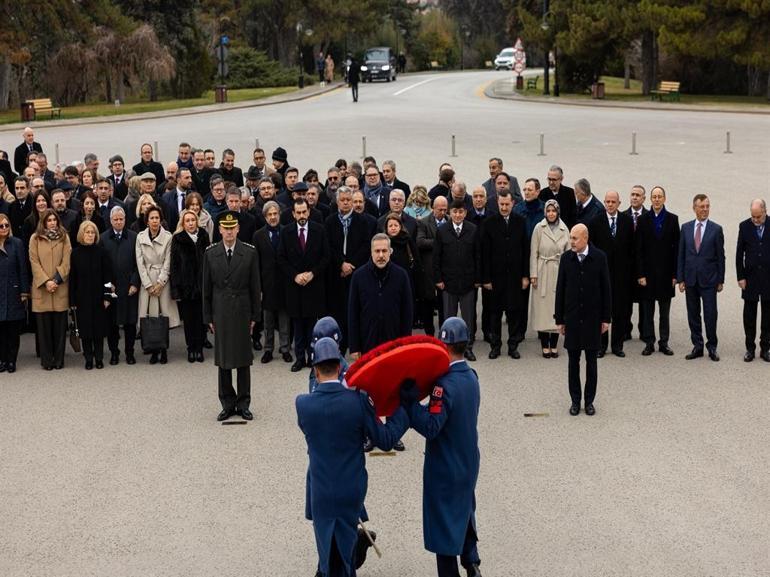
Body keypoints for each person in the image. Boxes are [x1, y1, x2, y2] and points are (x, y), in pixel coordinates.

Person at [296, 337, 408, 577]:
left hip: (321, 494)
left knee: (327, 560)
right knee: (345, 561)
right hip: (351, 492)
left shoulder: (303, 405)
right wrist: (404, 406)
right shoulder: (358, 401)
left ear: (315, 371)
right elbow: (386, 439)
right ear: (339, 366)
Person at [400, 317, 482, 577]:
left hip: (446, 467)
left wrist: (411, 405)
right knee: (465, 508)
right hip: (467, 461)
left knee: (443, 524)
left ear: (443, 346)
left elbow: (431, 427)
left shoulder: (443, 387)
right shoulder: (471, 376)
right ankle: (471, 561)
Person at [203, 210, 262, 421]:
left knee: (243, 360)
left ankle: (244, 403)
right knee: (224, 360)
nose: (229, 232)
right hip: (220, 311)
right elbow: (206, 290)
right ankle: (227, 403)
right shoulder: (210, 253)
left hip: (242, 310)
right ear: (219, 230)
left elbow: (255, 286)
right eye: (225, 229)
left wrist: (256, 315)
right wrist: (208, 317)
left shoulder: (250, 253)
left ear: (238, 229)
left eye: (232, 228)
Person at [554, 224, 611, 416]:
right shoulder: (566, 259)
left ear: (585, 238)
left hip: (593, 319)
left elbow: (606, 289)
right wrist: (559, 319)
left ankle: (589, 401)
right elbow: (560, 289)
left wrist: (606, 318)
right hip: (572, 318)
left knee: (591, 362)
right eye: (570, 238)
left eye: (575, 238)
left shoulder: (599, 258)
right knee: (573, 361)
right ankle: (575, 400)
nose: (571, 242)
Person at [278, 199, 330, 372]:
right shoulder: (286, 232)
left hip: (314, 285)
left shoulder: (319, 230)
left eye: (304, 212)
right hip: (295, 286)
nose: (301, 215)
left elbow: (326, 257)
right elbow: (281, 258)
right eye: (298, 212)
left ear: (309, 212)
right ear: (293, 214)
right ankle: (300, 358)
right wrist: (295, 275)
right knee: (298, 325)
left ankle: (312, 357)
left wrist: (312, 273)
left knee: (312, 325)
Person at [349, 232, 414, 362]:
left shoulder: (401, 276)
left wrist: (405, 343)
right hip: (367, 342)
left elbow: (407, 312)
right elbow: (353, 313)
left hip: (394, 342)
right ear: (371, 252)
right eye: (377, 251)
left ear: (390, 252)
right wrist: (354, 346)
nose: (380, 255)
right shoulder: (358, 276)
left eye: (384, 251)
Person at [480, 190, 529, 359]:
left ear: (513, 204)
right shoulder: (489, 223)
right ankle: (495, 346)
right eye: (501, 204)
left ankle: (513, 345)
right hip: (495, 278)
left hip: (515, 277)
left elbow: (525, 251)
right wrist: (485, 278)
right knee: (494, 313)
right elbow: (484, 253)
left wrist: (525, 276)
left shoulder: (520, 222)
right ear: (497, 203)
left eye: (507, 204)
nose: (504, 207)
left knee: (514, 312)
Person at [677, 193, 725, 362]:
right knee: (693, 314)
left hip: (709, 280)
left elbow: (721, 257)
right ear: (694, 208)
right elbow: (681, 254)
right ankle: (697, 345)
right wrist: (680, 278)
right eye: (702, 207)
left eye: (707, 206)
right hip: (690, 279)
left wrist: (721, 280)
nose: (705, 210)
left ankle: (712, 347)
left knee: (710, 314)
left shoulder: (716, 229)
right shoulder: (686, 228)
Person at [325, 187, 372, 354]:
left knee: (355, 310)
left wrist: (351, 265)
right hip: (336, 274)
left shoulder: (362, 221)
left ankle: (356, 346)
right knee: (338, 311)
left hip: (356, 272)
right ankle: (339, 346)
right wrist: (341, 264)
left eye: (348, 200)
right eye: (342, 200)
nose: (345, 202)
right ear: (337, 202)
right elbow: (328, 246)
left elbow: (366, 246)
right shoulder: (330, 221)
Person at [588, 190, 634, 357]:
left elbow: (632, 249)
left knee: (620, 312)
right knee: (602, 311)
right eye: (607, 201)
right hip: (602, 274)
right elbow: (591, 249)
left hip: (622, 275)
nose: (610, 204)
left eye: (613, 202)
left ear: (619, 203)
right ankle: (601, 345)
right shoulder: (596, 222)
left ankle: (617, 345)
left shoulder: (627, 222)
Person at [636, 186, 679, 356]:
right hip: (647, 274)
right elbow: (638, 249)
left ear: (664, 199)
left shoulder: (672, 219)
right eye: (654, 196)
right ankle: (649, 342)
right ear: (650, 199)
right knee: (648, 311)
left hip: (666, 275)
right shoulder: (643, 220)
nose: (657, 199)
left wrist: (676, 274)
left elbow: (677, 249)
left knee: (664, 312)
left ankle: (664, 342)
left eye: (660, 196)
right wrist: (640, 274)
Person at [434, 200, 479, 361]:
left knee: (468, 318)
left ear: (465, 213)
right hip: (448, 282)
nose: (458, 215)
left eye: (461, 212)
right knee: (448, 317)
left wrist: (477, 279)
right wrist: (438, 279)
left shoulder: (473, 230)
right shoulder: (442, 230)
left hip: (468, 282)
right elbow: (436, 257)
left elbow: (478, 256)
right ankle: (446, 349)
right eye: (455, 212)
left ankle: (468, 348)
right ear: (450, 213)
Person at [135, 205, 179, 364]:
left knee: (164, 316)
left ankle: (164, 349)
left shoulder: (168, 237)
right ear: (147, 221)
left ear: (161, 220)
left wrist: (161, 282)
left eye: (157, 218)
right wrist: (147, 284)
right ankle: (153, 350)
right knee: (151, 317)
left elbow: (169, 261)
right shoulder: (140, 237)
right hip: (147, 281)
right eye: (151, 218)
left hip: (162, 280)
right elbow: (139, 262)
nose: (154, 221)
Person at [29, 209, 72, 370]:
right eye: (49, 220)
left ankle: (59, 359)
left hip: (59, 286)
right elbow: (33, 262)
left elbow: (67, 260)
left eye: (54, 220)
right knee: (44, 328)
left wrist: (56, 280)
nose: (52, 222)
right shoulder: (35, 238)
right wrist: (46, 281)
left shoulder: (64, 237)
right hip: (42, 288)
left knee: (60, 328)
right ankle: (47, 360)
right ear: (44, 222)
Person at [69, 221, 113, 370]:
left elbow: (107, 277)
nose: (90, 235)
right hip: (82, 298)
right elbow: (72, 279)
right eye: (87, 232)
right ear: (82, 234)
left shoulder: (102, 252)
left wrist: (107, 296)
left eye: (92, 232)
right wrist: (72, 301)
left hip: (99, 297)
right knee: (86, 330)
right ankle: (88, 358)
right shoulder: (75, 253)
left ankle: (99, 358)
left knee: (99, 330)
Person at [530, 199, 570, 358]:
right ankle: (544, 345)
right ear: (545, 212)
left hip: (558, 270)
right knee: (542, 310)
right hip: (542, 270)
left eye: (554, 211)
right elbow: (534, 252)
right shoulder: (539, 228)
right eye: (548, 211)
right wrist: (533, 274)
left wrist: (568, 275)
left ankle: (554, 344)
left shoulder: (564, 228)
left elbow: (568, 254)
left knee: (557, 309)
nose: (551, 214)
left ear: (558, 212)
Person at [253, 201, 292, 364]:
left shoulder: (287, 232)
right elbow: (255, 263)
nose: (273, 217)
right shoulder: (258, 235)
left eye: (275, 214)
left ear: (279, 215)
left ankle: (285, 349)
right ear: (265, 217)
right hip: (267, 283)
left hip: (284, 283)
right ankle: (268, 349)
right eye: (269, 214)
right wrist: (259, 287)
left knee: (284, 320)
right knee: (268, 320)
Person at [100, 207, 139, 366]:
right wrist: (108, 286)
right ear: (110, 221)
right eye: (115, 219)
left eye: (121, 219)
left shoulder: (134, 237)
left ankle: (130, 352)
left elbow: (139, 263)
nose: (118, 222)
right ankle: (114, 352)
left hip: (129, 287)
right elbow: (102, 265)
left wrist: (135, 282)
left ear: (125, 220)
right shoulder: (103, 238)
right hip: (112, 287)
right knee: (112, 324)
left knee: (130, 323)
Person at [171, 209, 210, 363]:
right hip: (185, 286)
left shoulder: (203, 236)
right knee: (188, 320)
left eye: (192, 220)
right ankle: (191, 348)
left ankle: (199, 348)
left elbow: (209, 260)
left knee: (200, 318)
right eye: (187, 221)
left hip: (201, 285)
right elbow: (174, 265)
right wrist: (176, 288)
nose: (190, 223)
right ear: (183, 223)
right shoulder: (178, 238)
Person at [736, 199, 770, 362]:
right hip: (749, 278)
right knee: (749, 315)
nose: (755, 220)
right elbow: (738, 254)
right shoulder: (744, 226)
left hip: (768, 278)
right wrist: (740, 276)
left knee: (768, 316)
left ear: (765, 211)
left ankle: (765, 348)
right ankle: (750, 348)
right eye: (753, 217)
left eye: (758, 217)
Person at [0, 213, 30, 373]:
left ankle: (11, 360)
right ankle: (2, 359)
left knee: (12, 330)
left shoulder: (17, 243)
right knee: (1, 330)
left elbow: (23, 269)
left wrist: (24, 291)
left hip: (13, 291)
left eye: (6, 225)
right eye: (1, 226)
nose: (4, 228)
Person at [416, 196, 448, 336]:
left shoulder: (450, 220)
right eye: (440, 209)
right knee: (429, 303)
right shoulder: (424, 223)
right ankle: (429, 334)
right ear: (433, 208)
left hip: (446, 269)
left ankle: (444, 333)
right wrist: (440, 243)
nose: (442, 212)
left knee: (444, 304)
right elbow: (420, 242)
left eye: (445, 209)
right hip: (429, 270)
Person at [624, 185, 648, 340]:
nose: (634, 197)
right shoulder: (623, 216)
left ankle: (644, 331)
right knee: (625, 301)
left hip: (644, 267)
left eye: (638, 195)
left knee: (644, 302)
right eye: (632, 194)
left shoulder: (648, 216)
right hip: (626, 267)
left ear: (643, 198)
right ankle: (626, 330)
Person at [539, 165, 577, 230]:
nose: (551, 182)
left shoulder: (570, 193)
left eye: (554, 180)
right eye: (549, 179)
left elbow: (573, 216)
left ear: (561, 179)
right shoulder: (542, 194)